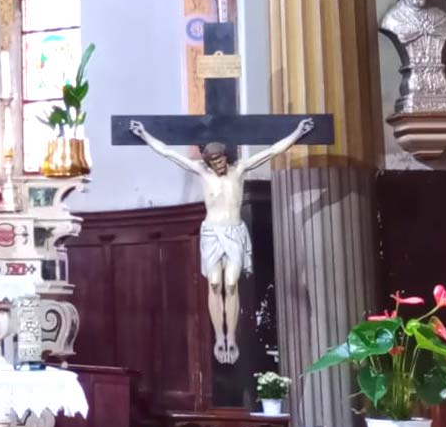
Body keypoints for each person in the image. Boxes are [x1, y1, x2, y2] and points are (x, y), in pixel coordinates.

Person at [128, 117, 315, 362]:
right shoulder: (202, 172)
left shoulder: (239, 170)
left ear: (226, 157)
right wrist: (144, 135)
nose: (219, 164)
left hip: (234, 231)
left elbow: (272, 151)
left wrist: (297, 133)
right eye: (214, 161)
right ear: (208, 161)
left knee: (231, 283)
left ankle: (232, 338)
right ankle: (219, 337)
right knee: (215, 283)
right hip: (211, 233)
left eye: (221, 159)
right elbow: (168, 153)